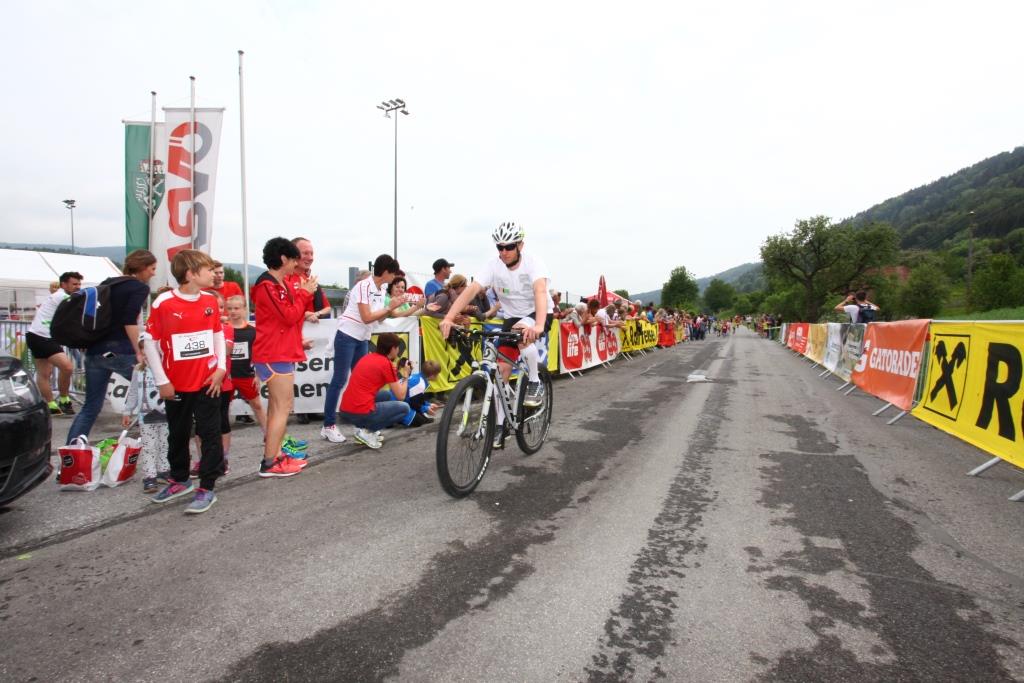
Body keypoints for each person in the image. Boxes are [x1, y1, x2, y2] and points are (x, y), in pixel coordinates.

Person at [440, 221, 553, 449]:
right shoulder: (493, 265)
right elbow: (472, 290)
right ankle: (501, 425)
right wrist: (449, 317)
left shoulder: (533, 263)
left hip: (539, 311)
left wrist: (539, 325)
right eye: (500, 247)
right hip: (511, 316)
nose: (504, 252)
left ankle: (534, 381)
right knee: (501, 370)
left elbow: (540, 291)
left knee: (522, 332)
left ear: (520, 245)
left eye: (509, 247)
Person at [144, 249, 226, 514]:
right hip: (176, 383)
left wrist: (221, 368)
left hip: (208, 381)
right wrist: (162, 381)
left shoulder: (210, 300)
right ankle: (180, 480)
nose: (213, 274)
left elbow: (217, 334)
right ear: (190, 274)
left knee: (210, 434)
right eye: (208, 269)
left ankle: (207, 487)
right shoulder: (164, 303)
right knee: (178, 433)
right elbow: (149, 342)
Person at [66, 250, 157, 443]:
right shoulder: (139, 288)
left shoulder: (108, 283)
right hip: (119, 351)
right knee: (155, 390)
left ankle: (71, 451)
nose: (153, 273)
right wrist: (139, 351)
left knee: (91, 406)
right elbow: (129, 320)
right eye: (152, 268)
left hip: (96, 352)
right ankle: (157, 444)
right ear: (142, 267)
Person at [320, 254, 407, 444]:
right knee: (339, 380)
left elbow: (379, 318)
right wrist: (389, 307)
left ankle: (362, 425)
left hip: (362, 337)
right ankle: (328, 425)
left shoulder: (381, 288)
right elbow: (367, 317)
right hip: (347, 335)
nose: (394, 278)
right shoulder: (363, 286)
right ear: (386, 272)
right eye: (393, 274)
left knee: (363, 380)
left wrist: (393, 307)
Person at [251, 237, 318, 478]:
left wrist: (298, 341)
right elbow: (289, 316)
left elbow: (288, 319)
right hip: (272, 353)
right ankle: (270, 462)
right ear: (283, 259)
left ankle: (276, 454)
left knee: (277, 409)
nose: (295, 265)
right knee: (282, 408)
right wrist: (304, 294)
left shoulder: (277, 284)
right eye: (293, 260)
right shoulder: (267, 285)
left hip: (279, 351)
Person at [337, 332, 415, 448]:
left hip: (345, 408)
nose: (398, 350)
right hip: (360, 411)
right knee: (404, 408)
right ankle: (368, 431)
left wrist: (398, 370)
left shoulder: (368, 357)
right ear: (393, 348)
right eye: (397, 347)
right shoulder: (386, 364)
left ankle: (361, 428)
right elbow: (401, 396)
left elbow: (385, 374)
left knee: (386, 395)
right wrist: (406, 376)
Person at [26, 270, 82, 416]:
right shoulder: (62, 296)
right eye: (74, 284)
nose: (78, 287)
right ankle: (64, 400)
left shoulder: (61, 295)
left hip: (38, 335)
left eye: (79, 284)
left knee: (44, 373)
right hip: (41, 336)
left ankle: (51, 405)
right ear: (63, 284)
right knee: (67, 367)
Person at [288, 237, 330, 424]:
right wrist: (306, 314)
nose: (310, 257)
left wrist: (316, 314)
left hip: (311, 336)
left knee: (311, 372)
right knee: (295, 373)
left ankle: (311, 407)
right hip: (293, 336)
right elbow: (285, 308)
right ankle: (298, 408)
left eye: (311, 253)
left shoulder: (311, 280)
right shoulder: (285, 279)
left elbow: (327, 307)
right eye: (305, 253)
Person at [122, 334, 169, 494]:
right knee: (149, 446)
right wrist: (127, 411)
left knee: (165, 444)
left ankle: (164, 470)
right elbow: (133, 392)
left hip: (165, 413)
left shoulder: (166, 367)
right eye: (143, 351)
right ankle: (150, 476)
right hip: (145, 415)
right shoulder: (138, 370)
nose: (146, 355)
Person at [226, 295, 267, 432]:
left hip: (246, 375)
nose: (233, 311)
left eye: (236, 308)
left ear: (244, 309)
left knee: (257, 405)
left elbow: (259, 355)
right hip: (226, 377)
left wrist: (258, 375)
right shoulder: (222, 330)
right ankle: (220, 439)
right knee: (223, 408)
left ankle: (270, 436)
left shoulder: (252, 331)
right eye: (230, 308)